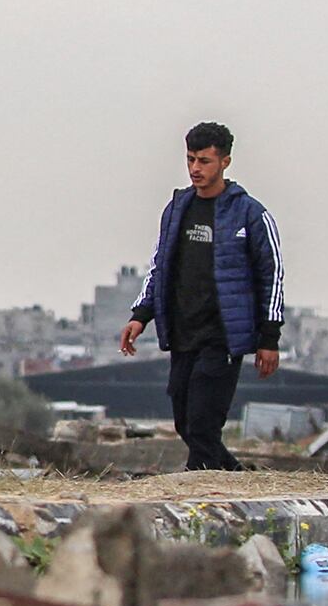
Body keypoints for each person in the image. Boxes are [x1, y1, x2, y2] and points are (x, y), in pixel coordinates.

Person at [118, 121, 284, 471]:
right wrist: (140, 315)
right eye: (191, 159)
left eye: (204, 161)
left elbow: (273, 276)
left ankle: (200, 484)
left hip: (223, 335)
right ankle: (235, 477)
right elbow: (160, 265)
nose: (196, 168)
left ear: (224, 161)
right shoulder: (178, 208)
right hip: (183, 331)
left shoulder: (250, 214)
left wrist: (269, 338)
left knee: (203, 422)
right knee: (184, 422)